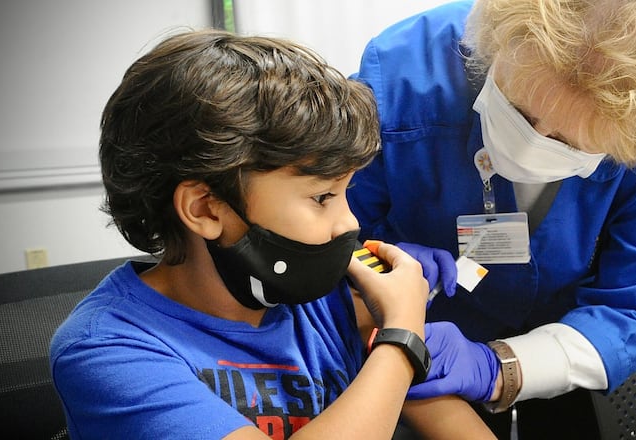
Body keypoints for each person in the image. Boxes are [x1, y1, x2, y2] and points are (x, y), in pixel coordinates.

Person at [49, 29, 496, 439]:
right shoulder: (106, 350)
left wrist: (394, 325)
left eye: (347, 192)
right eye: (322, 198)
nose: (350, 223)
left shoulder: (334, 301)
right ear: (205, 208)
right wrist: (402, 339)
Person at [347, 0, 636, 437]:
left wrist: (498, 367)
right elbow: (330, 236)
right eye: (521, 111)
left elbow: (634, 312)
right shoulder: (403, 70)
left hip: (562, 347)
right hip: (400, 342)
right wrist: (373, 263)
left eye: (566, 140)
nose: (532, 144)